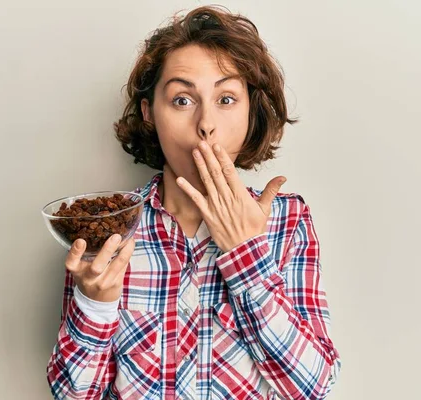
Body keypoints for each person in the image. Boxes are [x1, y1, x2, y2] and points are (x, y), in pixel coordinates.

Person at [47, 5, 341, 399]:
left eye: (226, 99)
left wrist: (246, 254)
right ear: (150, 113)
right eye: (183, 100)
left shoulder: (287, 221)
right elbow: (74, 395)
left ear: (251, 110)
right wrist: (95, 305)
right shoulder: (109, 228)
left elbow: (312, 388)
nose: (206, 124)